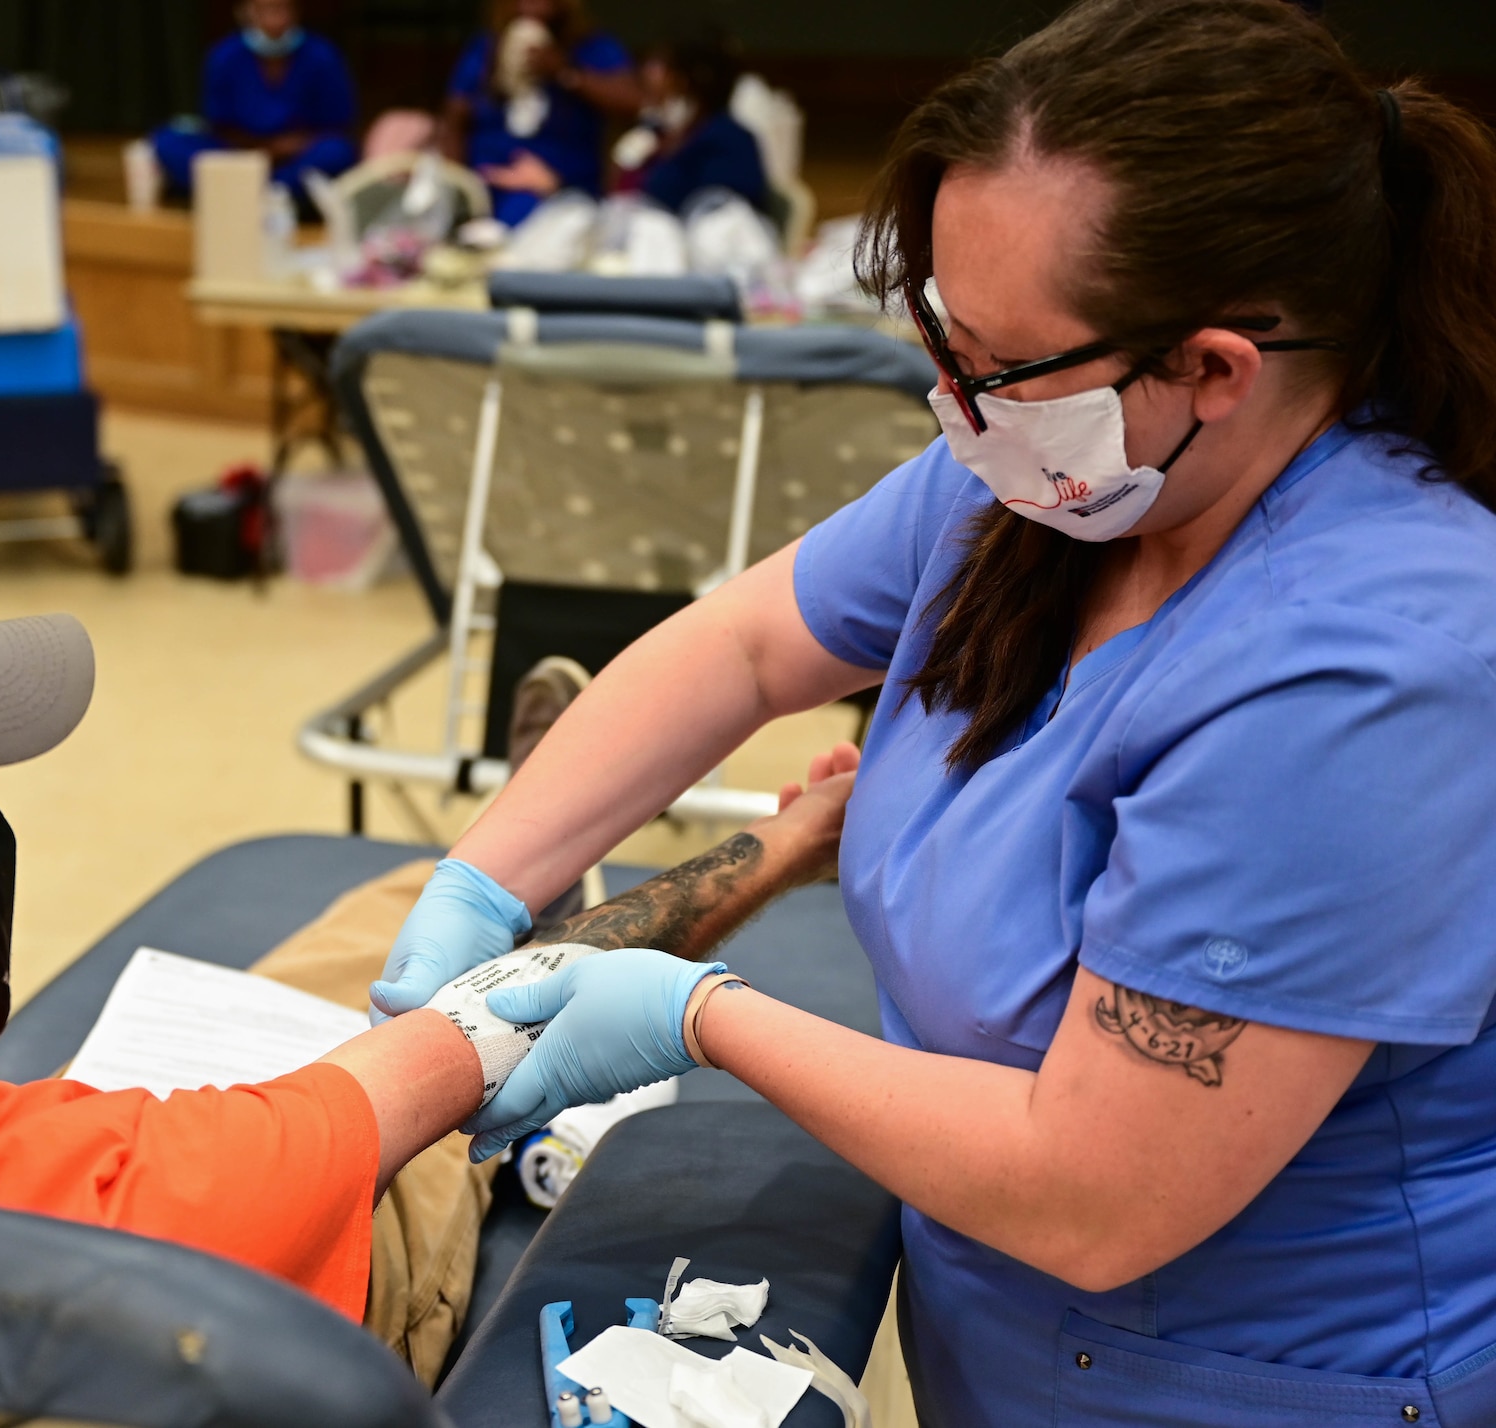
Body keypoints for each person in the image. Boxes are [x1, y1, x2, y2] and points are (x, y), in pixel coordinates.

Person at [371, 0, 1496, 1421]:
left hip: (1254, 1378)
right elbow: (745, 643)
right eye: (942, 336)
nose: (952, 403)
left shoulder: (1361, 677)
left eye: (999, 365)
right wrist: (484, 878)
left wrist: (697, 1016)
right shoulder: (1044, 480)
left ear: (1214, 368)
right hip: (1008, 1330)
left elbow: (1099, 1194)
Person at [0, 564, 851, 1380]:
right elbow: (485, 1026)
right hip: (309, 1251)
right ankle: (550, 854)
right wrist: (788, 844)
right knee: (466, 962)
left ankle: (501, 834)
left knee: (393, 914)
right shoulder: (123, 1190)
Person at [438, 0, 639, 226]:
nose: (532, 7)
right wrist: (460, 191)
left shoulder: (592, 48)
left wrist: (565, 73)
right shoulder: (484, 49)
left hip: (560, 193)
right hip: (487, 190)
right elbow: (454, 121)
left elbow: (633, 103)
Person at [151, 0, 357, 201]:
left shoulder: (322, 55)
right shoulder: (224, 55)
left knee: (337, 152)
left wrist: (282, 150)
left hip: (296, 157)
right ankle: (262, 191)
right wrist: (257, 152)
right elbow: (217, 122)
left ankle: (253, 191)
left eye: (281, 8)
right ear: (245, 12)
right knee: (168, 140)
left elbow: (337, 123)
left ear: (296, 11)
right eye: (264, 9)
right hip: (237, 153)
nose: (274, 19)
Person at [614, 33, 768, 217]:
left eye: (661, 66)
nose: (646, 72)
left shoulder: (728, 141)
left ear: (684, 80)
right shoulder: (660, 132)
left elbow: (718, 221)